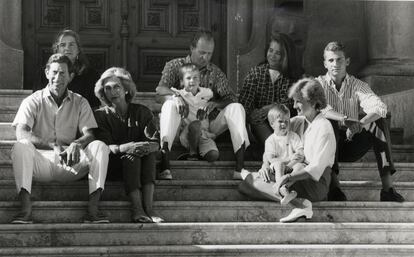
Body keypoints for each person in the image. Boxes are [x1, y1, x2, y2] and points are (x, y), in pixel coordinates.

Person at [11, 53, 110, 224]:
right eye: (54, 72)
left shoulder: (80, 102)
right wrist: (52, 145)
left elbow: (89, 134)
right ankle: (25, 209)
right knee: (20, 146)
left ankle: (93, 209)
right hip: (40, 163)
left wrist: (76, 145)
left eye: (63, 73)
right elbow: (22, 132)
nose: (58, 78)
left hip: (70, 163)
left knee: (99, 146)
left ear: (71, 76)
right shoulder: (32, 101)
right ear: (47, 73)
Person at [156, 28, 250, 180]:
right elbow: (160, 91)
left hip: (207, 125)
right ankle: (165, 163)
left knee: (236, 108)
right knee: (169, 105)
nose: (205, 57)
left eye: (209, 53)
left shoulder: (215, 72)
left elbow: (231, 98)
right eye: (201, 52)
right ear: (192, 48)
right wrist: (175, 97)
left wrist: (216, 103)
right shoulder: (175, 66)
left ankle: (240, 167)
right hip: (181, 124)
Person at [317, 41, 404, 202]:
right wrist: (345, 119)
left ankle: (388, 188)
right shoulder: (318, 84)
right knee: (328, 121)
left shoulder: (358, 85)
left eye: (339, 59)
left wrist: (360, 123)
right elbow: (321, 108)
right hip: (326, 147)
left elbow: (379, 107)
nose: (335, 64)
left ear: (347, 61)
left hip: (350, 145)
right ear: (325, 64)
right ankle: (334, 187)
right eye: (331, 60)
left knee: (379, 121)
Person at [239, 78, 336, 222]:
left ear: (313, 102)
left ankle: (300, 204)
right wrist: (266, 163)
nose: (294, 105)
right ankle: (297, 201)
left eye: (298, 101)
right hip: (294, 175)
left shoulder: (324, 128)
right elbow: (274, 139)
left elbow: (315, 169)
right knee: (245, 184)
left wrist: (288, 177)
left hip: (314, 183)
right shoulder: (298, 122)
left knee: (248, 184)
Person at [93, 67, 164, 223]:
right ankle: (137, 208)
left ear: (126, 89)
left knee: (149, 156)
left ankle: (150, 208)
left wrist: (149, 147)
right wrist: (125, 147)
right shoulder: (100, 116)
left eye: (117, 87)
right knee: (131, 157)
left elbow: (155, 141)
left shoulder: (142, 112)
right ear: (103, 93)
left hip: (142, 165)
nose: (113, 91)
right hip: (114, 165)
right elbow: (103, 146)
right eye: (108, 88)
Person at [239, 33, 303, 146]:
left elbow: (288, 103)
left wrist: (269, 108)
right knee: (259, 123)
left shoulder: (291, 77)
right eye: (271, 50)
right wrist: (254, 114)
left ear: (285, 57)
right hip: (259, 123)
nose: (272, 55)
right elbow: (245, 102)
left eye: (278, 53)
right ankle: (276, 150)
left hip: (284, 122)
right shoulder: (256, 73)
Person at [39, 29, 100, 108]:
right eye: (63, 45)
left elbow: (94, 105)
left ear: (78, 50)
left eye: (71, 44)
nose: (67, 48)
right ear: (56, 49)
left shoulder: (91, 75)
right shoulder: (45, 73)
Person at [258, 104, 304, 205]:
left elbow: (300, 154)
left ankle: (285, 187)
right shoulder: (270, 140)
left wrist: (289, 165)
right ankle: (280, 187)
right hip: (276, 170)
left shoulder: (293, 136)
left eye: (286, 121)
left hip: (290, 168)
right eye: (280, 121)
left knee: (301, 166)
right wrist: (289, 159)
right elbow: (271, 159)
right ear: (272, 123)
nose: (284, 124)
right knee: (279, 164)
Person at [171, 63, 219, 162]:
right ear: (181, 82)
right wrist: (177, 96)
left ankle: (201, 153)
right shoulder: (179, 94)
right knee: (196, 124)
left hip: (204, 134)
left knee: (213, 155)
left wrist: (210, 105)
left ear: (200, 80)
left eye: (195, 78)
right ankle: (192, 153)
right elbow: (163, 92)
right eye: (188, 78)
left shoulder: (207, 93)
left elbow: (215, 101)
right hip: (187, 134)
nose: (192, 81)